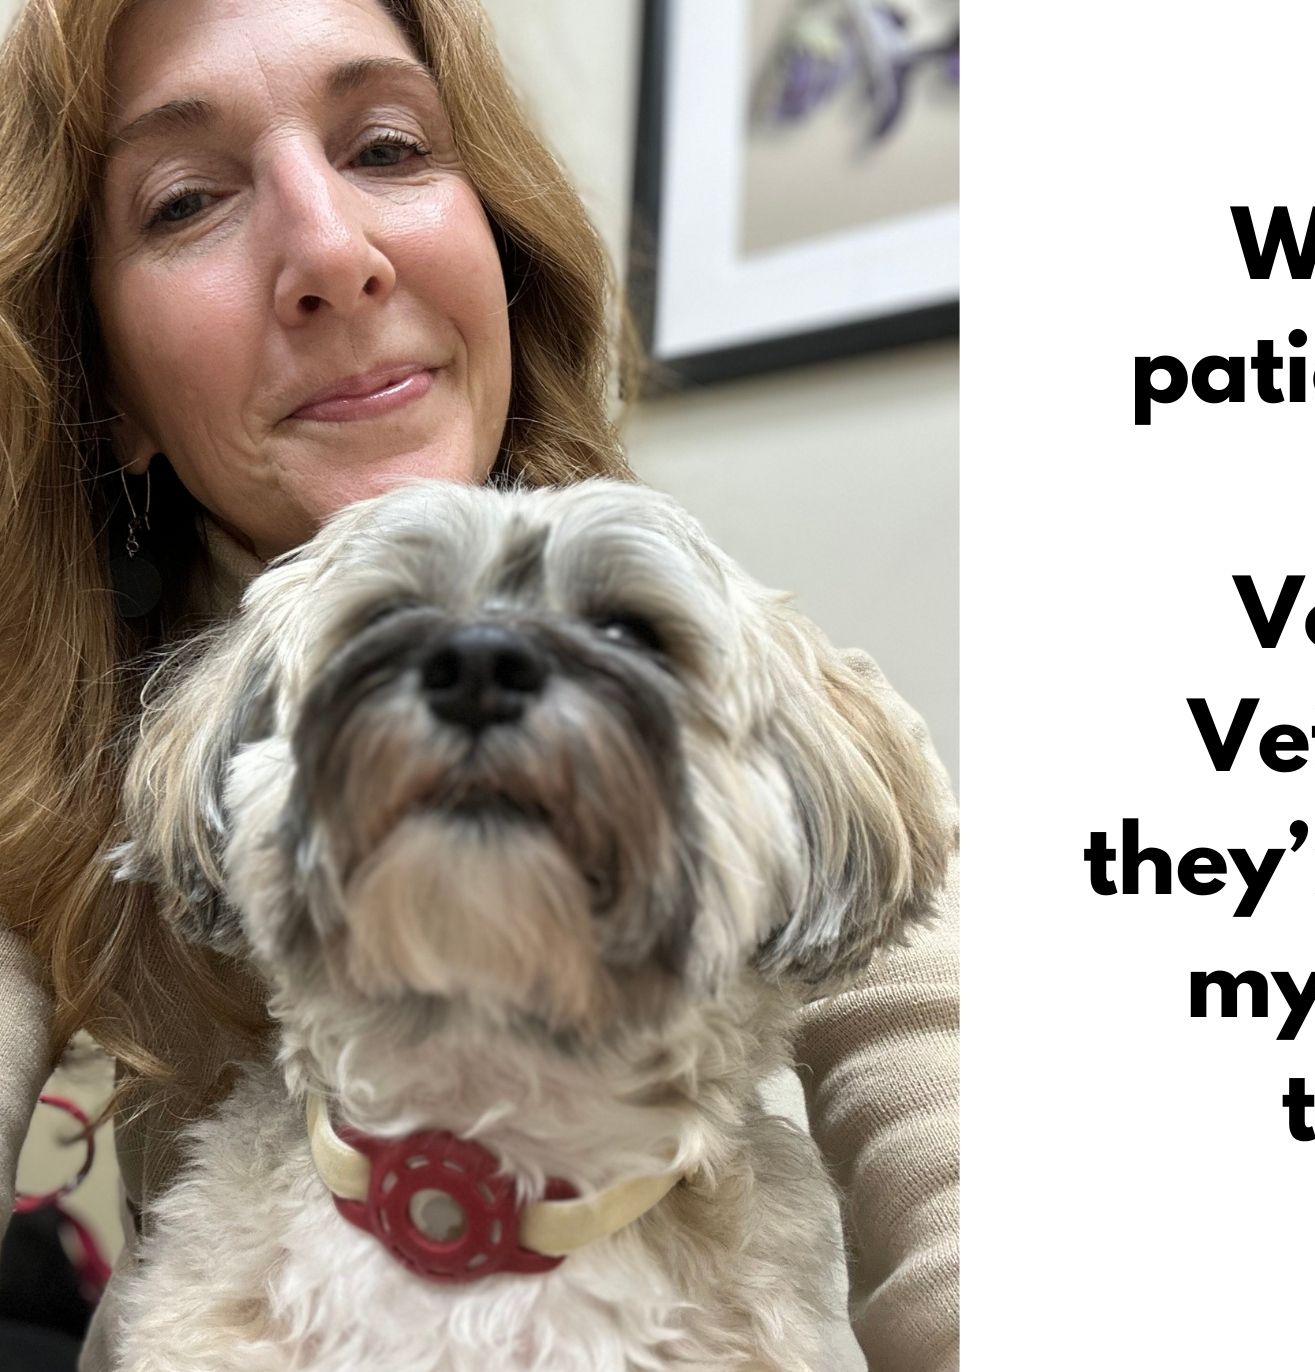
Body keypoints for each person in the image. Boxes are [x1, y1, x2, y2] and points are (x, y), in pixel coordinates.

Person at [0, 1, 959, 1368]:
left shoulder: (772, 690)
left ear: (499, 247)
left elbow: (960, 1151)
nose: (330, 252)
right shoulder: (46, 739)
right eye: (187, 201)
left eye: (387, 146)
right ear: (106, 384)